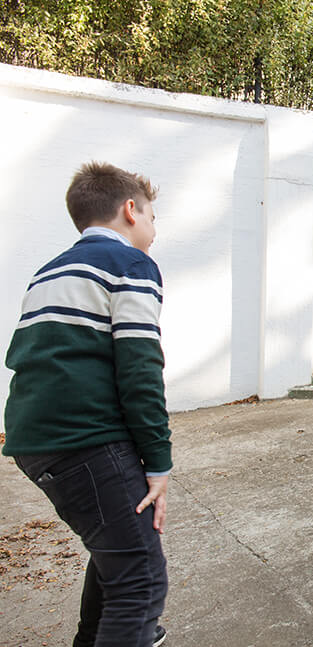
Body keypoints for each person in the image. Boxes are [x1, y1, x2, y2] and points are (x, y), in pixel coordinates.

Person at [3, 162, 171, 646]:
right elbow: (140, 369)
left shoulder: (49, 271)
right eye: (153, 217)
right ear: (131, 210)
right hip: (86, 441)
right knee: (141, 580)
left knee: (115, 552)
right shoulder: (130, 264)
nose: (154, 230)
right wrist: (158, 462)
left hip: (36, 444)